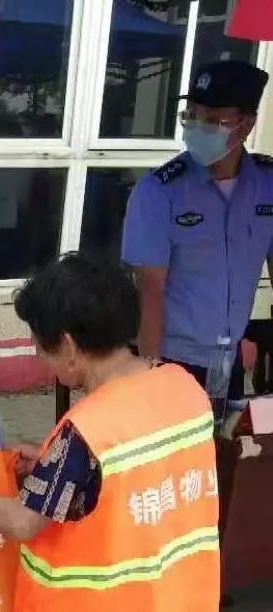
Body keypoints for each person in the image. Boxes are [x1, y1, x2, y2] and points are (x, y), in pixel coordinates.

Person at [0, 253, 220, 611]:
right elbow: (135, 473)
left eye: (40, 347)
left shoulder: (88, 430)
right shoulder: (184, 387)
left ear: (67, 345)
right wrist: (50, 462)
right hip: (181, 598)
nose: (40, 359)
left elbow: (22, 522)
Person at [122, 60, 271, 416]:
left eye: (214, 121)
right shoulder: (159, 192)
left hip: (229, 359)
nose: (198, 128)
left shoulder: (267, 185)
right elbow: (150, 292)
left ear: (247, 125)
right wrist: (150, 376)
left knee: (227, 447)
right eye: (192, 116)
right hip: (172, 361)